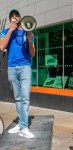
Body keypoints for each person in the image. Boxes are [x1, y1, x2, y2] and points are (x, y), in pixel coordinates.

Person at [0, 9, 35, 139]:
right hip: (12, 68)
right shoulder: (5, 32)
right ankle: (20, 124)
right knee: (18, 98)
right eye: (12, 17)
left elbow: (32, 54)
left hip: (25, 67)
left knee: (25, 97)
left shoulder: (28, 32)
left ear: (20, 18)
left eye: (16, 16)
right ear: (10, 20)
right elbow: (2, 47)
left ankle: (24, 127)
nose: (14, 18)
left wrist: (30, 40)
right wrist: (10, 30)